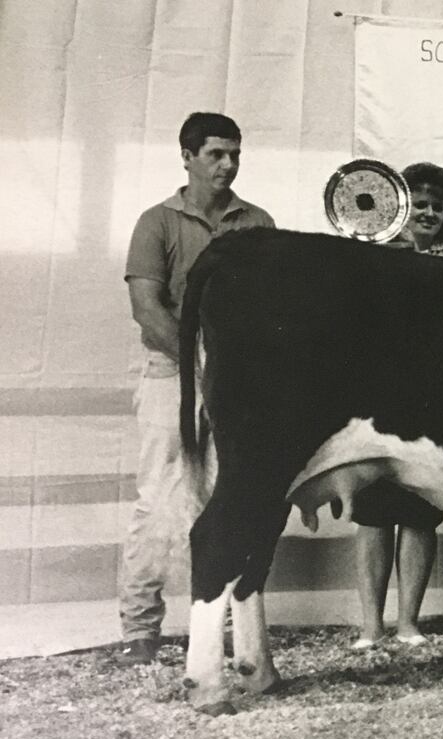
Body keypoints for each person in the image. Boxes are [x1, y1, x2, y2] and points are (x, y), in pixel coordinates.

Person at [120, 112, 274, 667]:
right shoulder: (157, 222)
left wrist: (239, 372)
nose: (228, 165)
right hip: (171, 375)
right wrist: (202, 365)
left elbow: (270, 312)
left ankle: (217, 626)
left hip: (238, 384)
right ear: (186, 156)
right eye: (215, 154)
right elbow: (147, 309)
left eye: (234, 154)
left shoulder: (256, 221)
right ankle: (140, 629)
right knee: (159, 499)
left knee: (229, 498)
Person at [349, 162, 443, 649]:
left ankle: (408, 622)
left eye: (438, 206)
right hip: (376, 402)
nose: (430, 213)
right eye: (420, 204)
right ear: (398, 208)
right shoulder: (369, 257)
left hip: (432, 403)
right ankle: (371, 626)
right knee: (373, 514)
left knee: (420, 512)